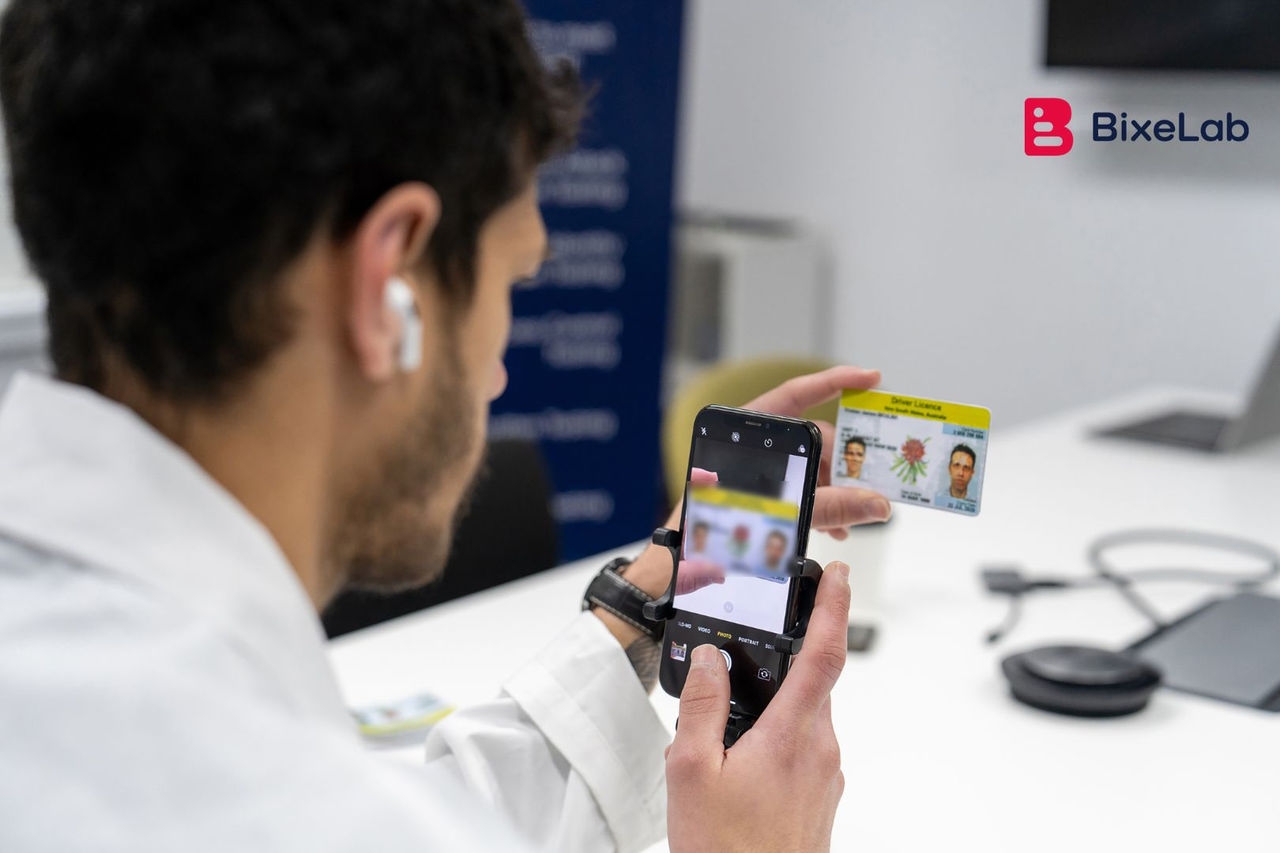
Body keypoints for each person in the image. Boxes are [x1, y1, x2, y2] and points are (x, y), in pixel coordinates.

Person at [0, 2, 892, 851]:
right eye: (512, 277)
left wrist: (649, 589)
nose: (498, 368)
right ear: (387, 286)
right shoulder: (250, 799)